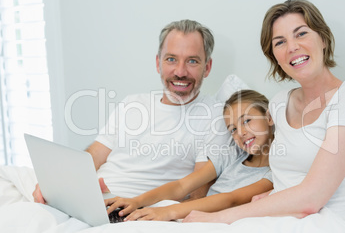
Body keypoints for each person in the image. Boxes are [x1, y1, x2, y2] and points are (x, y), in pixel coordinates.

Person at [183, 0, 345, 233]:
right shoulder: (279, 103)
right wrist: (269, 196)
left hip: (324, 230)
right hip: (275, 222)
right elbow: (284, 174)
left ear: (323, 39)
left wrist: (221, 218)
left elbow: (312, 196)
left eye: (301, 34)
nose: (292, 47)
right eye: (280, 42)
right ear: (275, 56)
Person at [32, 19, 230, 203]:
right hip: (92, 198)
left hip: (136, 211)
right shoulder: (133, 103)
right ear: (157, 63)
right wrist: (59, 182)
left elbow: (197, 195)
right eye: (171, 59)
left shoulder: (215, 116)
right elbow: (95, 154)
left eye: (192, 61)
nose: (180, 71)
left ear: (207, 67)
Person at [104, 89, 274, 221]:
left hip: (210, 221)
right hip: (190, 215)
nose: (241, 132)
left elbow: (231, 199)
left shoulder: (275, 172)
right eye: (233, 129)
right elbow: (181, 186)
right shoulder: (232, 155)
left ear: (269, 117)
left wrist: (167, 212)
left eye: (247, 121)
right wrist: (138, 201)